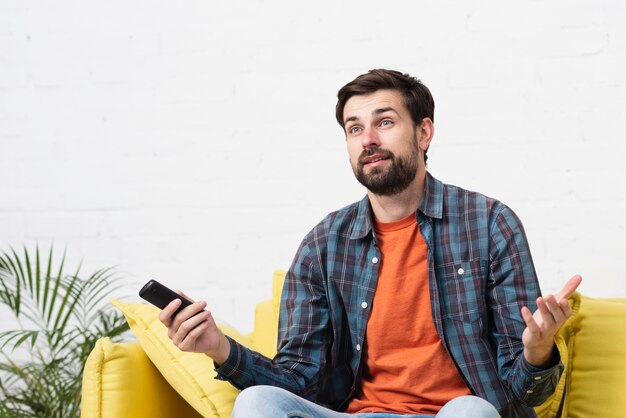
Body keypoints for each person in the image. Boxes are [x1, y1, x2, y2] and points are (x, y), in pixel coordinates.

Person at [159, 69, 582, 418]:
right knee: (257, 403)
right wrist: (218, 348)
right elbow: (299, 380)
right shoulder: (324, 244)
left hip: (456, 415)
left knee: (473, 411)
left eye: (384, 122)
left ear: (423, 132)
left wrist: (537, 352)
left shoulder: (489, 224)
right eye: (354, 128)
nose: (368, 140)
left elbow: (525, 395)